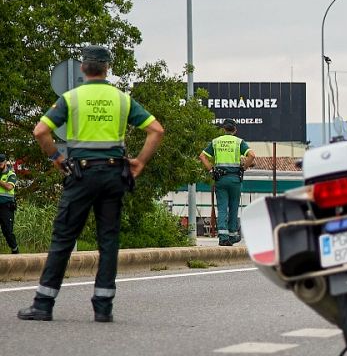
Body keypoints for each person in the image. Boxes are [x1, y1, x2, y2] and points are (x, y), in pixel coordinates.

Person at [17, 45, 164, 323]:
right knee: (108, 240)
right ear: (107, 68)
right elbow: (156, 130)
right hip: (114, 174)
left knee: (64, 237)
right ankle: (103, 307)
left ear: (84, 67)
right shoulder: (122, 99)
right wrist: (140, 162)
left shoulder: (71, 98)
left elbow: (40, 131)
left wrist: (57, 158)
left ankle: (43, 304)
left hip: (81, 175)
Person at [200, 120, 254, 246]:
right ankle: (233, 235)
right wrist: (244, 167)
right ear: (235, 130)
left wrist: (211, 170)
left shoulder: (216, 142)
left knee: (222, 207)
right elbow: (252, 155)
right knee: (234, 206)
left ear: (223, 129)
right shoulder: (239, 142)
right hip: (235, 179)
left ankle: (223, 237)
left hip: (220, 179)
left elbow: (202, 156)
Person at [0, 154, 19, 253]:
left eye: (0, 162)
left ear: (4, 162)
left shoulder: (11, 174)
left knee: (7, 231)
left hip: (6, 207)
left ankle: (15, 250)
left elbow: (9, 187)